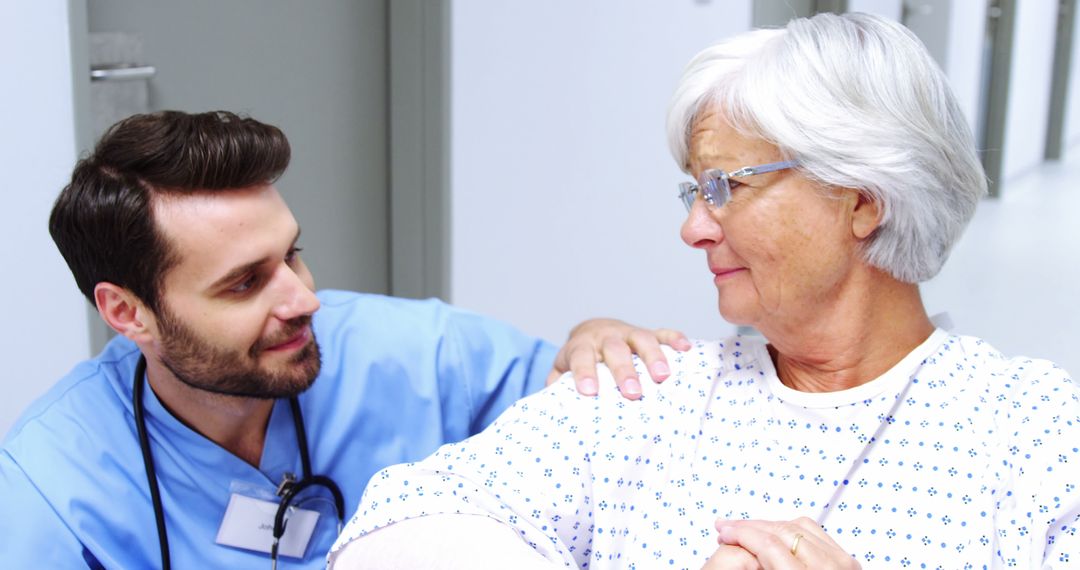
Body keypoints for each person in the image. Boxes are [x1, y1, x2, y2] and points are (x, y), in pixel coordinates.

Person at [328, 12, 1080, 569]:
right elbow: (401, 521)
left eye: (724, 185)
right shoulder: (645, 394)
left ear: (860, 198)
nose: (693, 229)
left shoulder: (1036, 438)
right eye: (693, 189)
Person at [0, 110, 689, 568]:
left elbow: (576, 394)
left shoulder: (405, 350)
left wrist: (591, 337)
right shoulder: (52, 489)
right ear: (127, 314)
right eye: (244, 284)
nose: (304, 300)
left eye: (292, 255)